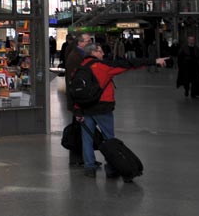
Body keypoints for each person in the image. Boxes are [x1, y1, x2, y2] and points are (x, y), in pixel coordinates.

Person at [75, 42, 167, 180]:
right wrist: (153, 61)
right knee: (109, 140)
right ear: (93, 53)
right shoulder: (104, 67)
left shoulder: (79, 68)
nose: (103, 54)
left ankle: (89, 168)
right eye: (100, 51)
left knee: (87, 139)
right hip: (102, 109)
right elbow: (129, 64)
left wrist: (77, 111)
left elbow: (75, 92)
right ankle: (112, 168)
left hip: (85, 109)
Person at [61, 33, 91, 167]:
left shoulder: (79, 54)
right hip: (78, 99)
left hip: (78, 98)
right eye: (88, 41)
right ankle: (77, 158)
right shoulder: (75, 57)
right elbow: (74, 81)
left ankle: (82, 158)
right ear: (80, 43)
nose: (90, 42)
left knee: (80, 129)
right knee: (78, 129)